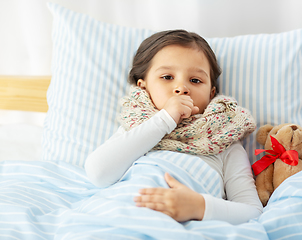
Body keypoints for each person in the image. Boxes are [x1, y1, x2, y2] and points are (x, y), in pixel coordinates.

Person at [85, 29, 263, 225]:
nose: (181, 88)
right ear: (143, 86)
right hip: (119, 215)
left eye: (195, 80)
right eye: (167, 77)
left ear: (211, 94)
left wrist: (200, 207)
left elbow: (252, 211)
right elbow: (98, 173)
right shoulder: (136, 128)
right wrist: (165, 120)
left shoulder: (224, 140)